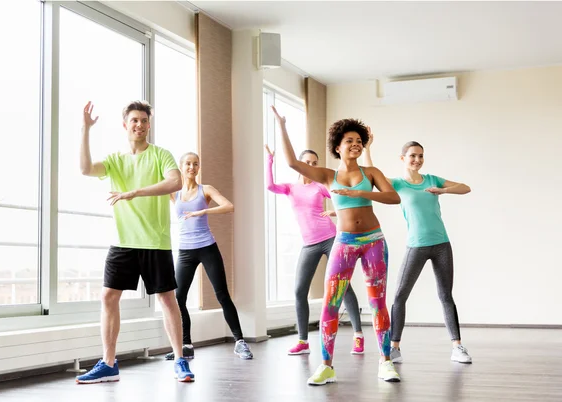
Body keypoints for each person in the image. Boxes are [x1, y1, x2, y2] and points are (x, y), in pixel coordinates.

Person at [271, 106, 401, 386]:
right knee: (331, 303)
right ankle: (327, 366)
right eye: (349, 141)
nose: (355, 145)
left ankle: (386, 361)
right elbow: (293, 163)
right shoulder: (328, 176)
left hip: (373, 242)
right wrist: (281, 126)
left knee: (378, 302)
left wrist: (360, 192)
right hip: (344, 243)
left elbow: (393, 198)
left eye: (359, 141)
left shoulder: (371, 171)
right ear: (338, 147)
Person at [75, 100, 194, 383]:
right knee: (108, 296)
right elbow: (85, 169)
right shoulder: (116, 160)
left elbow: (175, 182)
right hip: (123, 242)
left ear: (148, 125)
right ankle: (109, 363)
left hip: (155, 241)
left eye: (143, 120)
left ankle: (180, 360)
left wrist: (135, 192)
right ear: (125, 125)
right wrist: (85, 130)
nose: (139, 124)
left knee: (167, 299)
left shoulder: (161, 155)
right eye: (134, 120)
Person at [362, 137, 473, 364]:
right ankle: (394, 348)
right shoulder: (397, 184)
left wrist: (444, 190)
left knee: (445, 296)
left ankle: (457, 347)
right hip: (417, 245)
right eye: (412, 156)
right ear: (403, 159)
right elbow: (370, 176)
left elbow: (465, 187)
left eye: (420, 156)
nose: (417, 160)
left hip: (442, 243)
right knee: (400, 295)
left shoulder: (432, 179)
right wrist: (367, 149)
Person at [264, 145, 365, 355]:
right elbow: (270, 186)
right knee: (300, 291)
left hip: (330, 239)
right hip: (309, 243)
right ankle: (302, 341)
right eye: (306, 162)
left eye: (314, 163)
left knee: (343, 287)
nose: (310, 166)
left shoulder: (319, 186)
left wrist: (335, 212)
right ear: (299, 165)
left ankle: (358, 335)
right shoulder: (290, 188)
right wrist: (269, 160)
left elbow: (343, 199)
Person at [163, 152, 253, 361]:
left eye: (195, 164)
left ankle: (240, 342)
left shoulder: (206, 190)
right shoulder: (173, 193)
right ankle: (185, 344)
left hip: (207, 247)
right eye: (188, 164)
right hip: (185, 251)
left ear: (199, 167)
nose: (192, 168)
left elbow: (229, 206)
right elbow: (157, 186)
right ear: (181, 166)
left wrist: (204, 212)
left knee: (222, 295)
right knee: (178, 298)